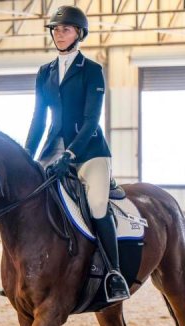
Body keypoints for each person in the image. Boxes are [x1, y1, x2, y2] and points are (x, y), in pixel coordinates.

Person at [24, 5, 130, 302]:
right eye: (56, 29)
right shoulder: (44, 72)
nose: (59, 33)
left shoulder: (92, 71)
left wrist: (70, 156)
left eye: (66, 29)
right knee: (30, 199)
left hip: (89, 151)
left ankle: (114, 273)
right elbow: (38, 119)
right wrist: (25, 155)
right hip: (52, 147)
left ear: (79, 33)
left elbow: (91, 120)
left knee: (97, 205)